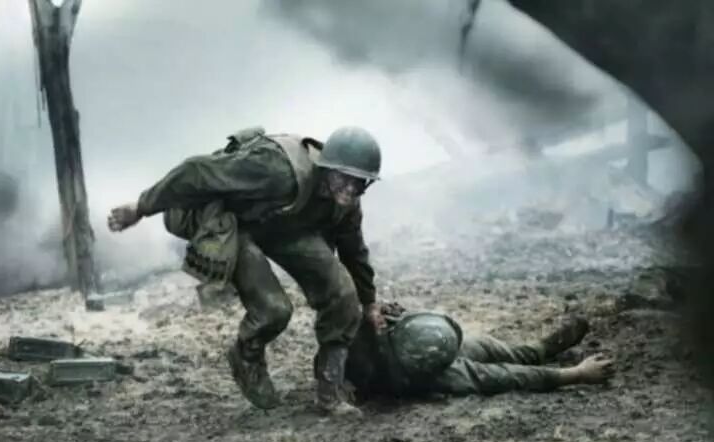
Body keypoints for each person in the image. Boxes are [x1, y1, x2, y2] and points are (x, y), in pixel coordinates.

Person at [108, 126, 385, 415]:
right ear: (327, 168)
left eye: (359, 182)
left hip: (280, 225)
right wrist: (140, 207)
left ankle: (330, 391)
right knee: (274, 309)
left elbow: (354, 250)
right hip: (230, 220)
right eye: (344, 178)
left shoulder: (347, 203)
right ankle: (246, 355)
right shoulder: (276, 170)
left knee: (343, 295)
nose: (350, 188)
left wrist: (369, 303)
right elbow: (196, 171)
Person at [343, 302, 615, 402]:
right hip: (419, 370)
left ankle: (539, 349)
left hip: (420, 346)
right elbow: (509, 377)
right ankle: (547, 359)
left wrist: (380, 310)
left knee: (488, 346)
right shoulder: (438, 377)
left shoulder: (357, 323)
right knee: (501, 372)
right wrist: (579, 374)